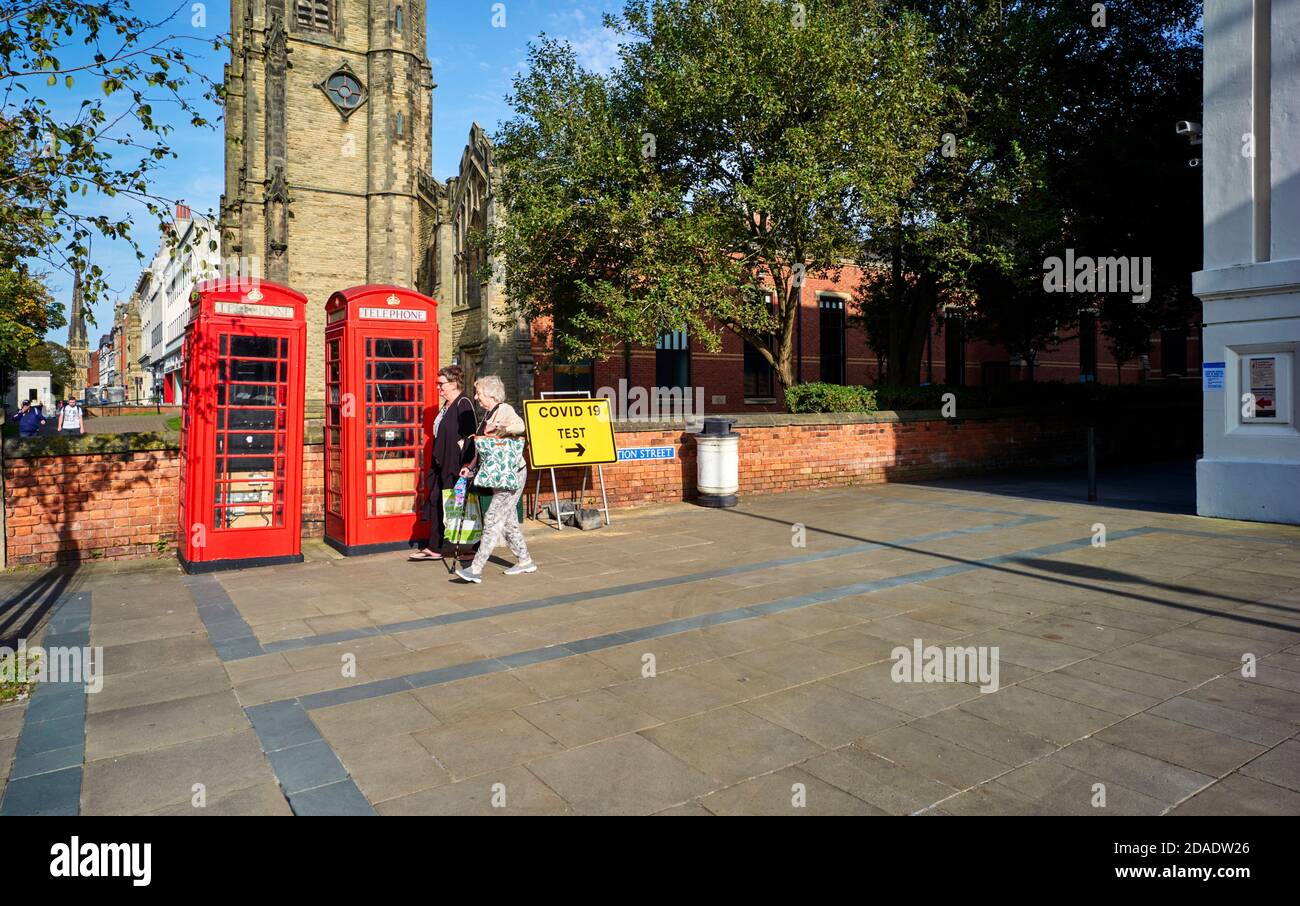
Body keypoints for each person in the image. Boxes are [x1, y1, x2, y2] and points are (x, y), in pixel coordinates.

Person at [455, 375, 536, 583]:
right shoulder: (487, 414)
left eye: (479, 393)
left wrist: (501, 428)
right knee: (507, 520)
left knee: (492, 518)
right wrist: (470, 467)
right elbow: (483, 448)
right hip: (497, 473)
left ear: (491, 394)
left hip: (512, 473)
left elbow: (520, 427)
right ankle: (525, 560)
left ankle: (475, 569)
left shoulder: (505, 409)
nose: (476, 397)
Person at [409, 365, 479, 561]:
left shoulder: (463, 403)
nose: (438, 388)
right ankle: (435, 547)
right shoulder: (447, 405)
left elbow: (471, 436)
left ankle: (471, 547)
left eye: (441, 384)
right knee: (436, 502)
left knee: (458, 507)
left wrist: (467, 464)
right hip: (440, 463)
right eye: (437, 384)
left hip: (456, 466)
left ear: (454, 383)